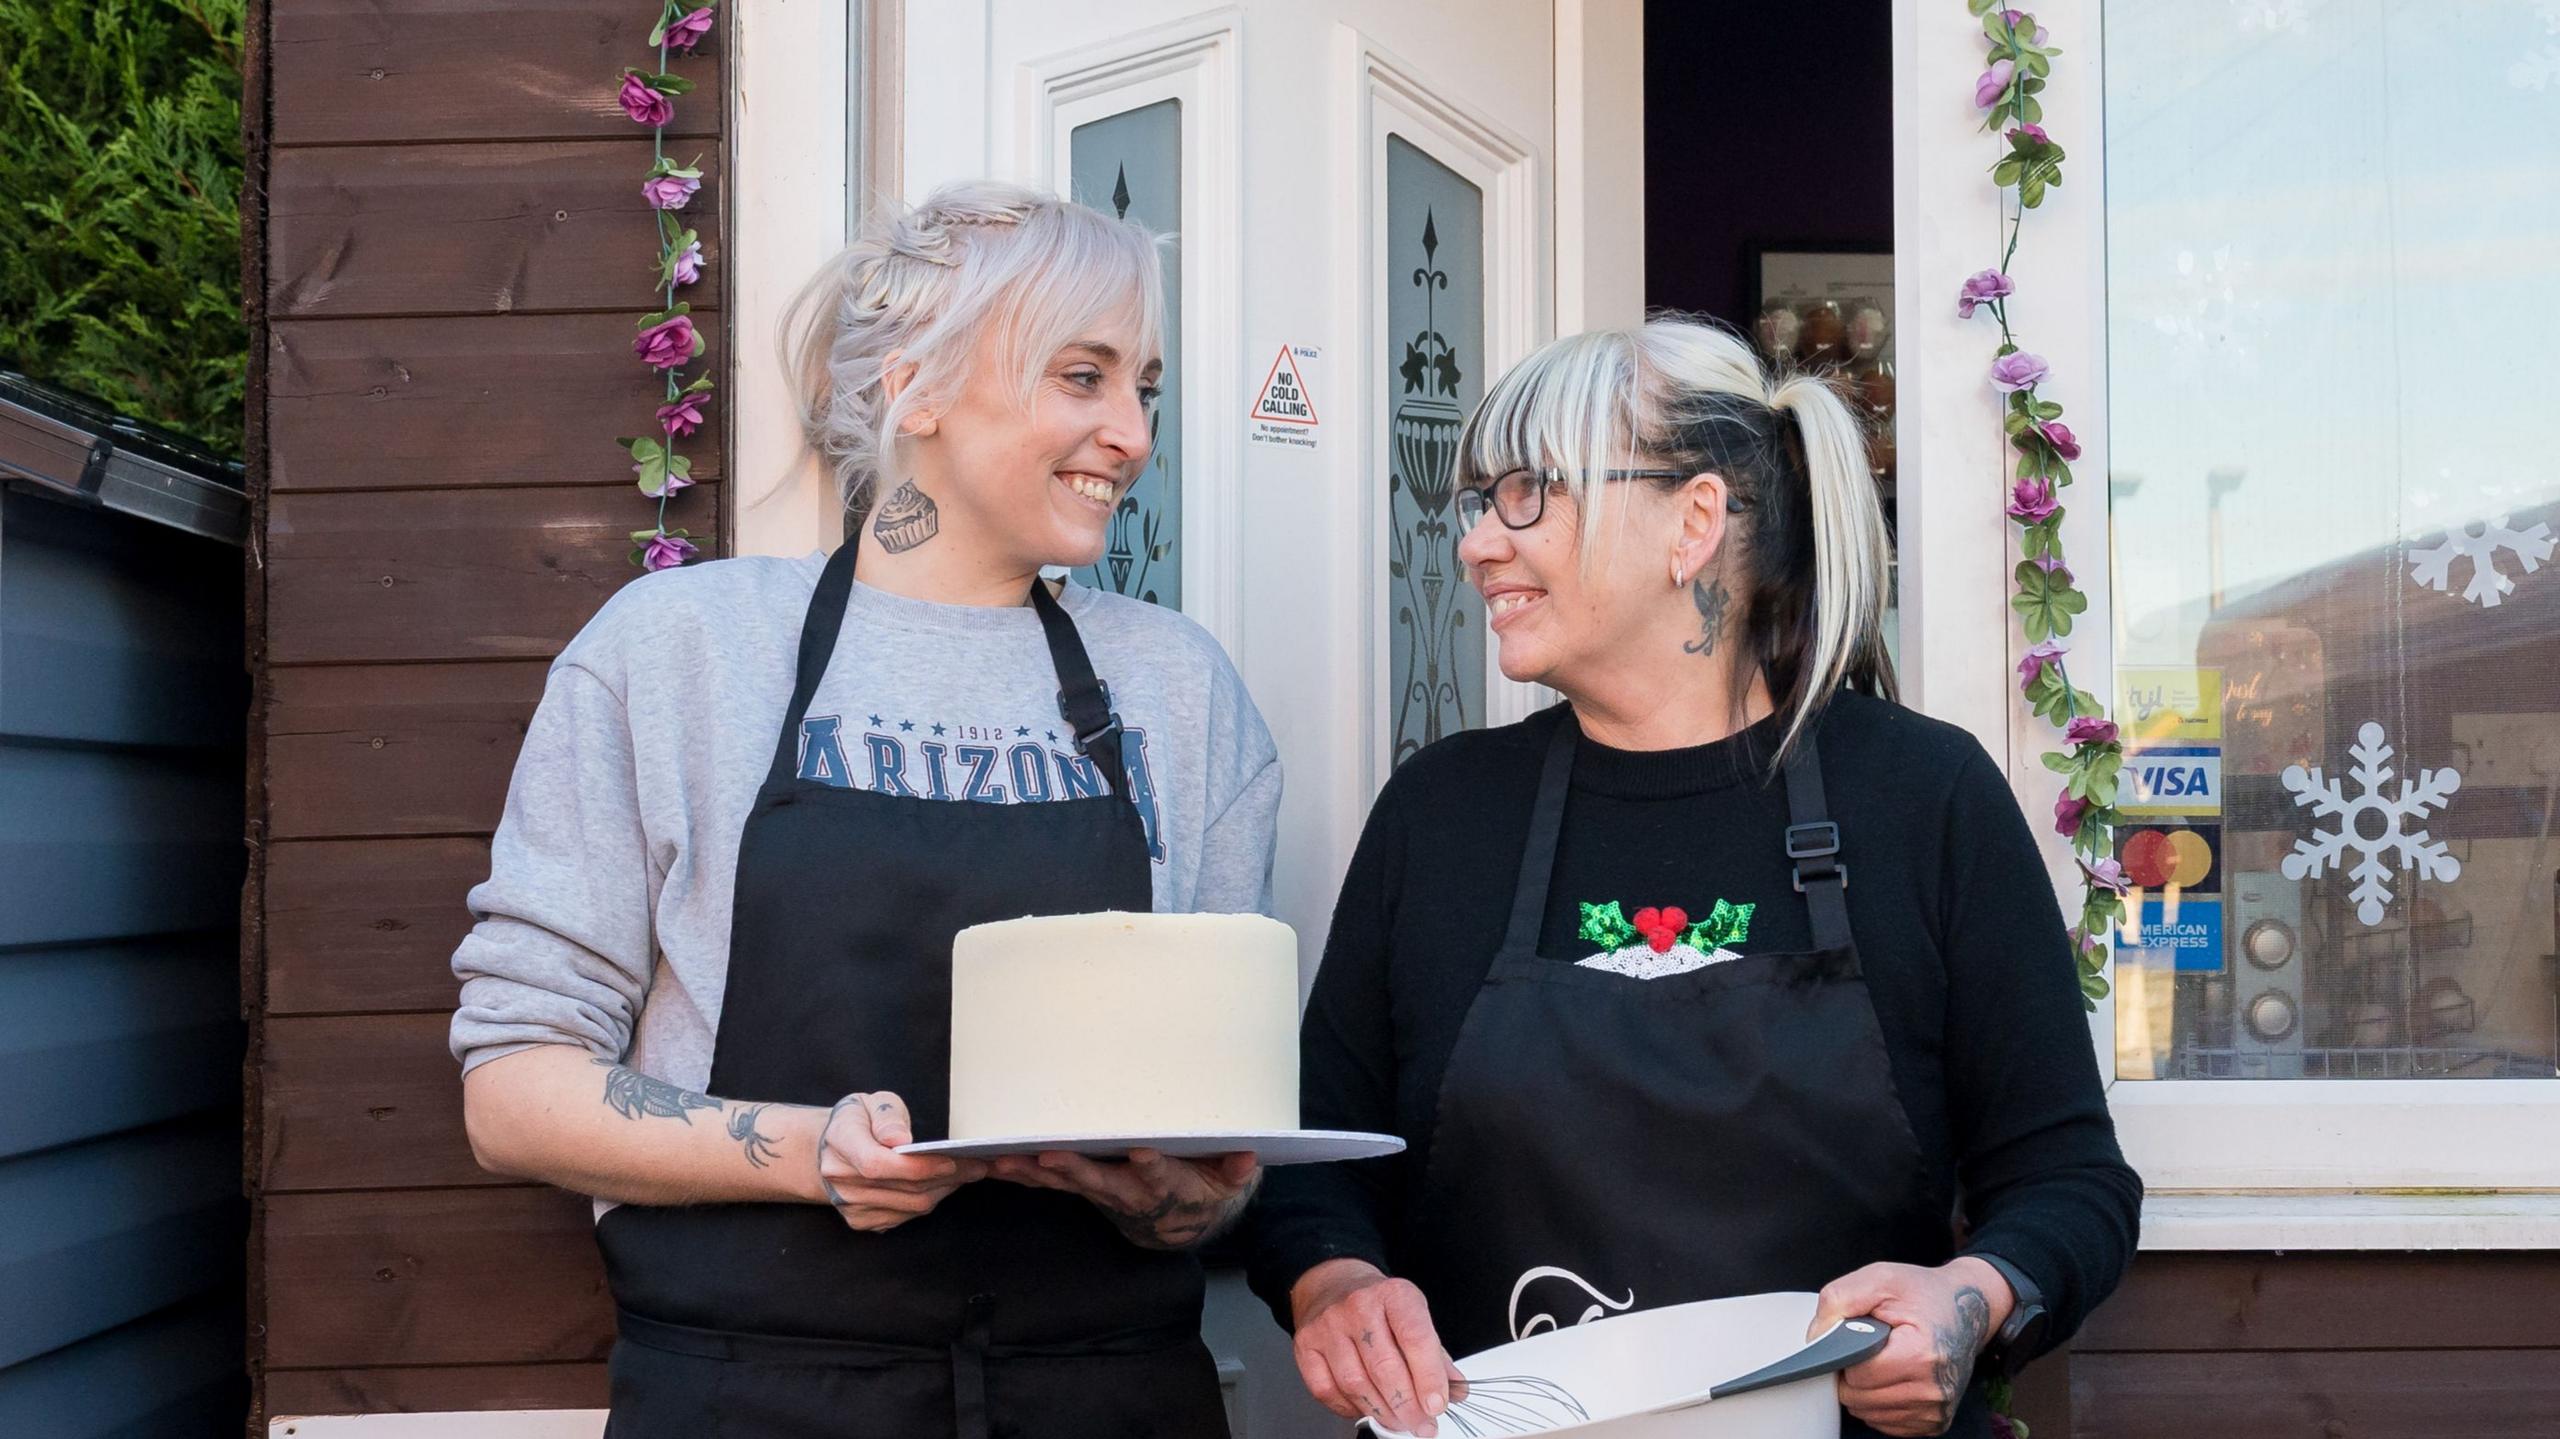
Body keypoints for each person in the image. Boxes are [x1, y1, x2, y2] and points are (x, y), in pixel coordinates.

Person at [450, 180, 1280, 1438]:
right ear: (918, 385)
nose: (1132, 432)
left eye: (1142, 387)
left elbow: (1216, 1172)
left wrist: (1172, 1194)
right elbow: (513, 1090)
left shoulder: (1180, 686)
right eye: (1082, 375)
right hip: (753, 1395)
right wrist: (810, 1150)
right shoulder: (682, 652)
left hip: (1109, 1394)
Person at [1247, 318, 2139, 1439]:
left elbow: (2070, 1180)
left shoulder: (1921, 797)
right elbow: (1310, 1162)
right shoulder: (1443, 814)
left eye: (1527, 491)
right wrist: (1334, 1284)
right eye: (1481, 499)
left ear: (1693, 521)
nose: (1476, 540)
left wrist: (1968, 1298)